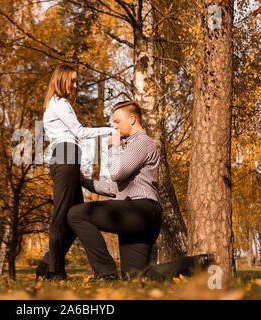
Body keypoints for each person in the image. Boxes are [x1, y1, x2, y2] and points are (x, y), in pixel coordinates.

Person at [68, 100, 213, 280]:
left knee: (76, 214)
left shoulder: (142, 143)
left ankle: (105, 273)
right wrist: (85, 182)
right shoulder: (133, 147)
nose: (114, 127)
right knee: (136, 277)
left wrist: (112, 146)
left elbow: (116, 173)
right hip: (142, 214)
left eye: (117, 122)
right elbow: (117, 188)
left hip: (141, 210)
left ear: (132, 119)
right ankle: (198, 263)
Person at [36, 64, 116, 280]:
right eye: (72, 80)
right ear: (61, 79)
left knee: (76, 217)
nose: (75, 85)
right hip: (65, 157)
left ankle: (47, 262)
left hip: (68, 158)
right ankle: (55, 271)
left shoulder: (56, 103)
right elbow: (79, 132)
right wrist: (111, 129)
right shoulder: (59, 103)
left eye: (76, 80)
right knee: (61, 216)